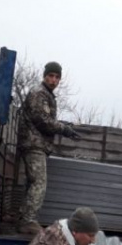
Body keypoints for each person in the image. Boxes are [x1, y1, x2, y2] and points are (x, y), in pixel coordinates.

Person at [17, 61, 83, 234]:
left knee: (32, 182)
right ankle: (28, 220)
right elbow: (43, 121)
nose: (53, 80)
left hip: (36, 144)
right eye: (51, 76)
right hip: (34, 144)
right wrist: (64, 129)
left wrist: (63, 126)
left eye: (57, 77)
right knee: (39, 183)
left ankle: (23, 217)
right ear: (44, 76)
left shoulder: (46, 95)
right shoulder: (39, 93)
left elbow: (45, 119)